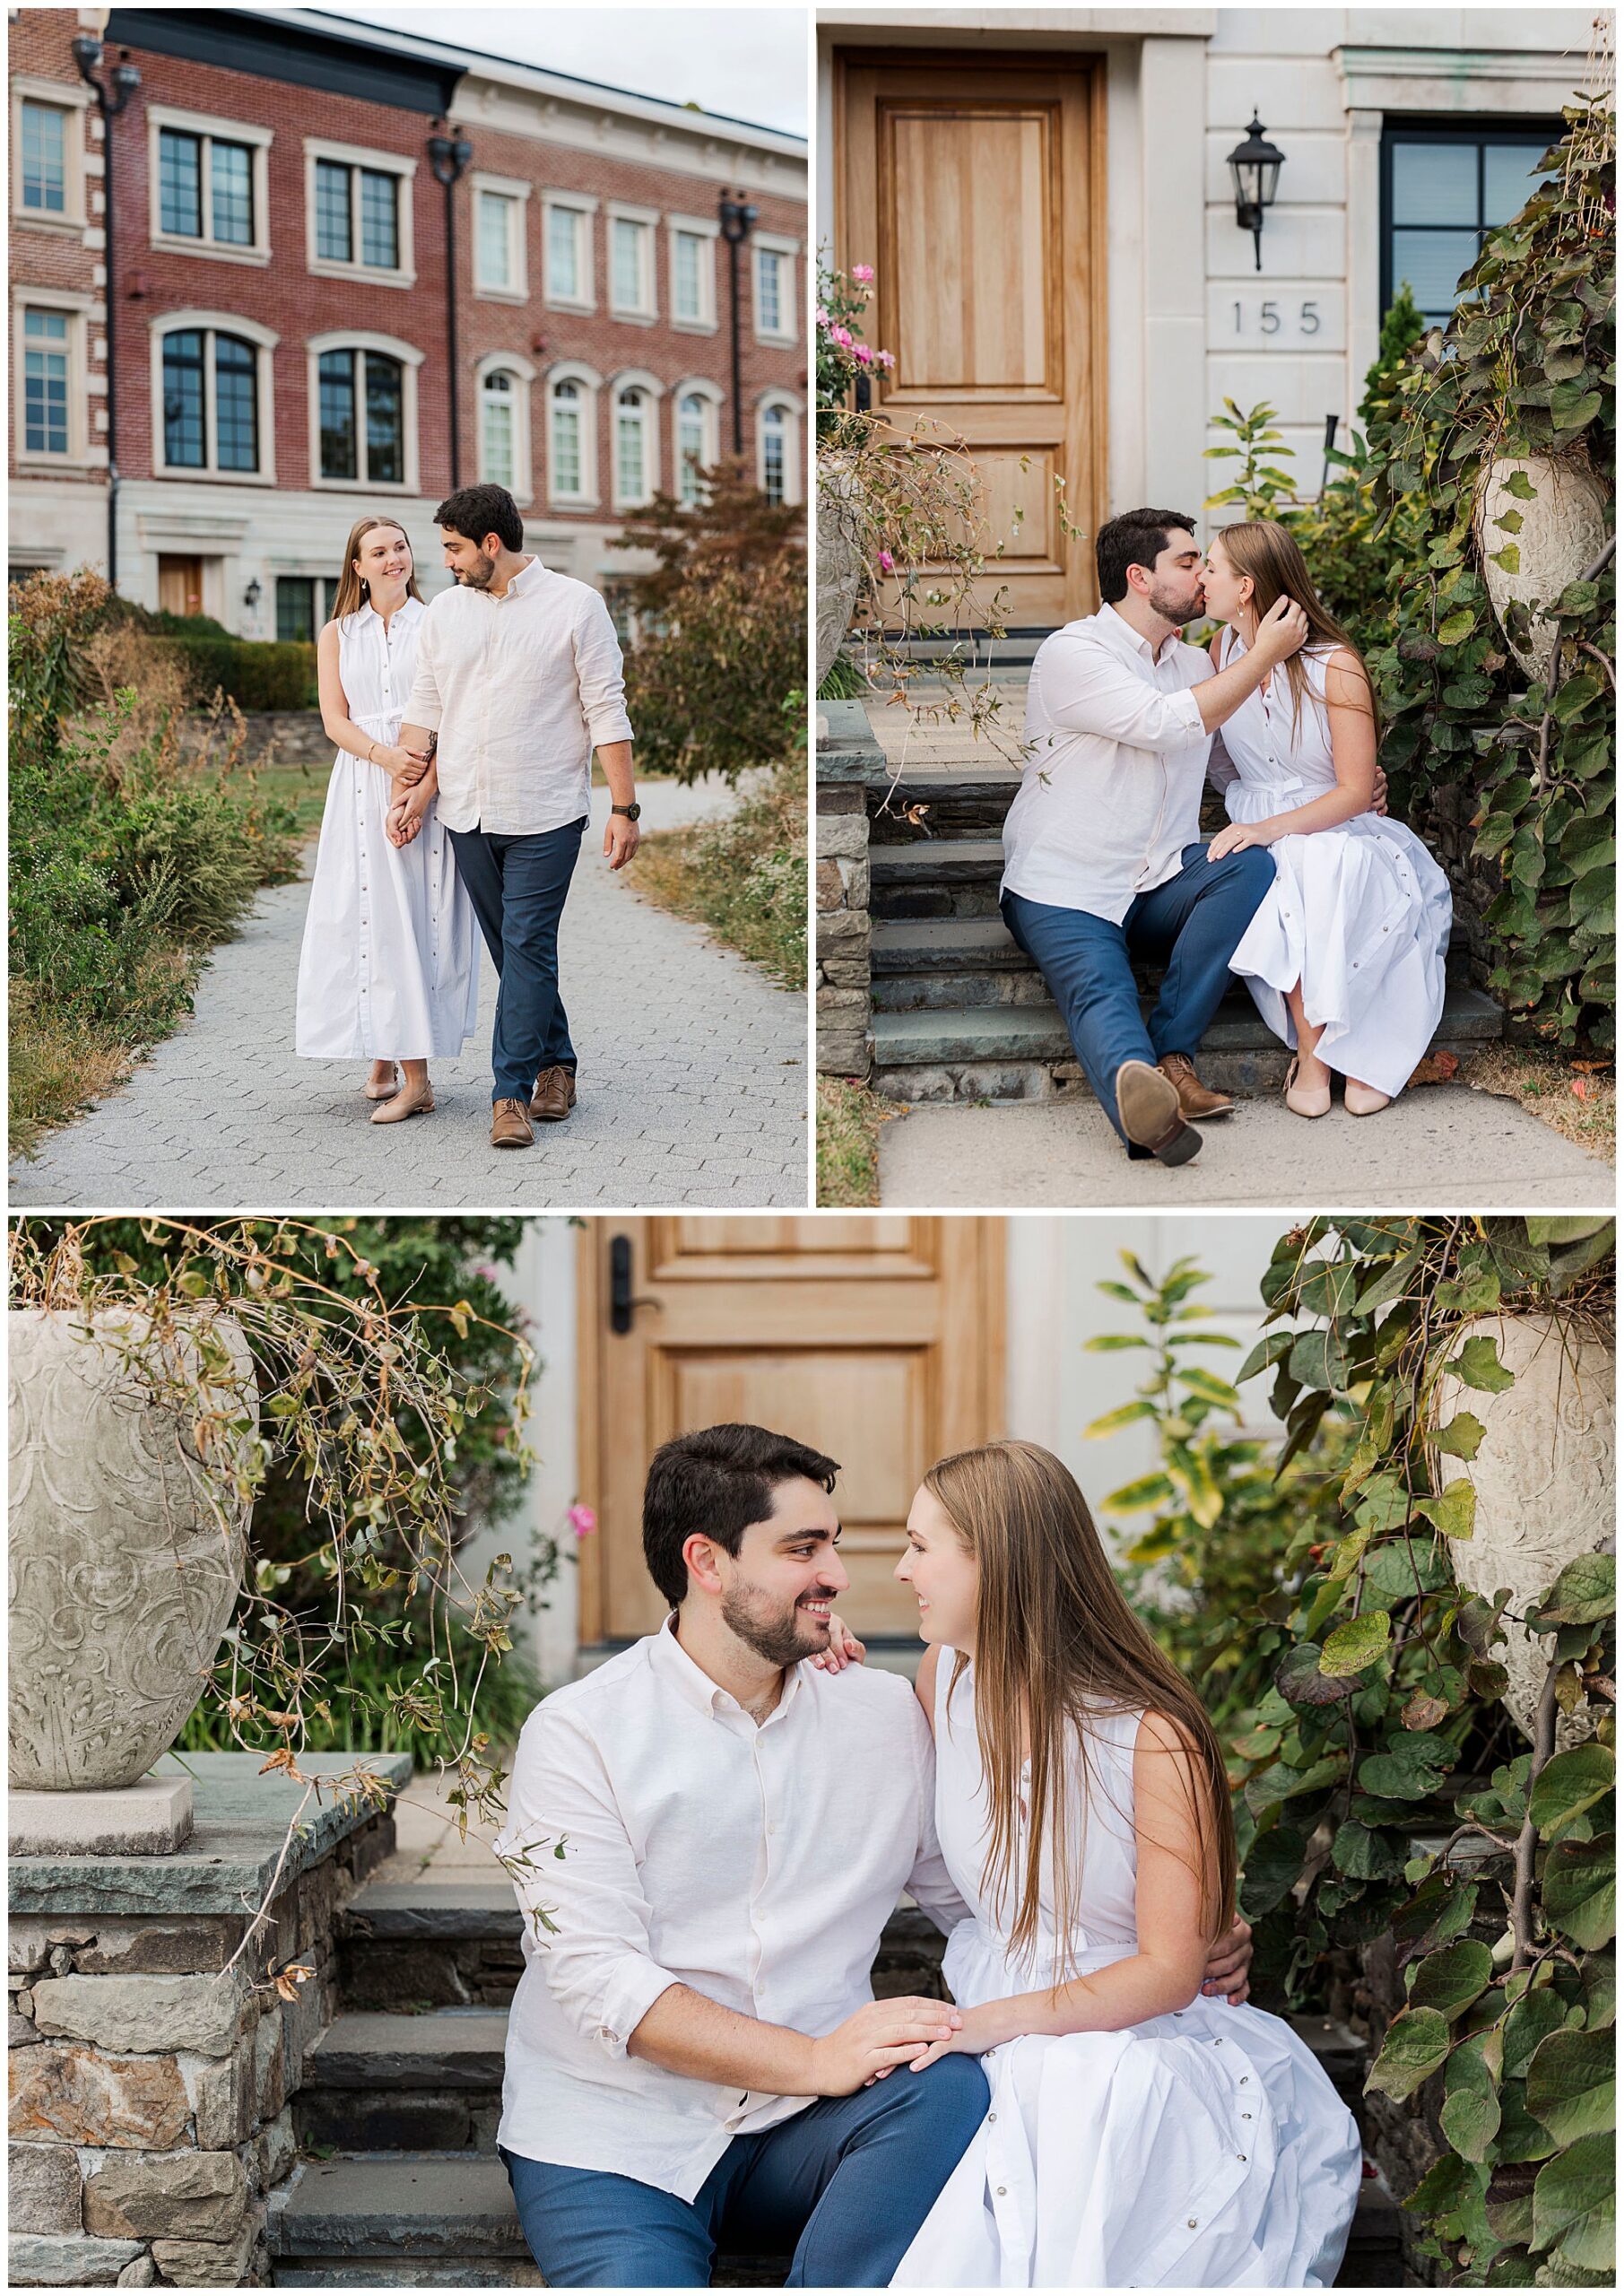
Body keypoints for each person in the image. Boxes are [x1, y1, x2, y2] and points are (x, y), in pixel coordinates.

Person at [491, 1423, 1255, 2287]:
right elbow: (601, 1982)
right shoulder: (578, 1734)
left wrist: (1171, 1933)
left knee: (946, 2093)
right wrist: (815, 2059)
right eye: (802, 1550)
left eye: (836, 1546)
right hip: (614, 2140)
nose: (841, 1576)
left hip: (810, 2127)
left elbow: (981, 1896)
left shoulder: (882, 1713)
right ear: (707, 1564)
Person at [815, 1440, 1362, 2288]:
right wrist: (825, 1669)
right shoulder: (943, 1675)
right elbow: (930, 1851)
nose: (898, 1569)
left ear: (996, 1559)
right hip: (989, 2014)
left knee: (1093, 2109)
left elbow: (1164, 1972)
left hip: (1126, 2032)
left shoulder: (1151, 1736)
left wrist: (984, 2026)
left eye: (922, 1547)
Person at [1000, 508, 1311, 1166]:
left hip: (1160, 878)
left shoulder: (1196, 662)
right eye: (1188, 562)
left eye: (1204, 562)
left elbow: (1235, 766)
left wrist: (1342, 790)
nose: (1203, 575)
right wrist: (1261, 656)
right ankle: (1151, 1119)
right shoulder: (1073, 651)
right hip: (1065, 884)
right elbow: (1164, 724)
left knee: (1245, 867)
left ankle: (1171, 1057)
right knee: (1101, 989)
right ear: (1140, 578)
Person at [395, 483, 639, 1151]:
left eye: (452, 548)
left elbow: (606, 712)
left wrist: (624, 806)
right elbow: (426, 707)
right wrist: (409, 787)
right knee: (515, 954)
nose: (444, 561)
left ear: (491, 545)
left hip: (546, 813)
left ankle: (510, 1095)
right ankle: (557, 1062)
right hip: (466, 811)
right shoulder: (445, 613)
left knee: (528, 947)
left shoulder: (576, 606)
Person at [1201, 522, 1452, 1118]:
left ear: (1244, 587)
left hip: (1335, 824)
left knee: (1316, 862)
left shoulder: (1333, 664)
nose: (1200, 579)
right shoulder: (1220, 652)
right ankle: (1314, 1054)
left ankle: (1360, 1052)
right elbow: (1214, 758)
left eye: (1210, 568)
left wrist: (1269, 828)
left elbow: (1352, 792)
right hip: (1256, 819)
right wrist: (1250, 814)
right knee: (1280, 868)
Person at [294, 516, 478, 1123]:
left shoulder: (438, 622)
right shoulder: (337, 633)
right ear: (358, 566)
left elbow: (458, 715)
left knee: (411, 922)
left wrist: (419, 784)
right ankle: (381, 1052)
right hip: (360, 782)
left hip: (426, 780)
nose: (393, 558)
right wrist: (384, 758)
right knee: (363, 917)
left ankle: (417, 1077)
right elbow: (334, 720)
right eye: (379, 551)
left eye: (400, 547)